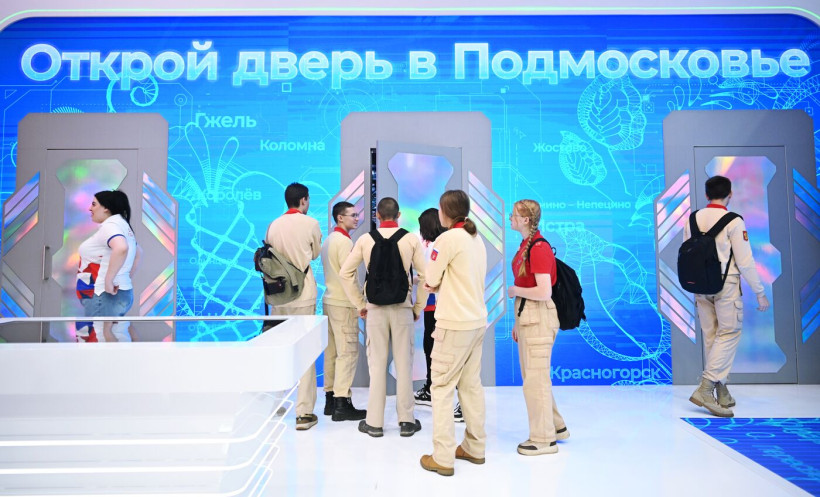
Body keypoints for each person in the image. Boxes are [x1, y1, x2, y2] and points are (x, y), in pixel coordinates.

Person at [339, 197, 428, 438]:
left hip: (375, 309)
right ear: (398, 215)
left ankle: (374, 422)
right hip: (402, 308)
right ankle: (407, 421)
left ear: (377, 215)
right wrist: (417, 307)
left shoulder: (365, 239)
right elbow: (425, 276)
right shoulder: (410, 239)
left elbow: (345, 273)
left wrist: (360, 304)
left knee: (376, 365)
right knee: (404, 365)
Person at [683, 175, 769, 417]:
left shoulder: (692, 219)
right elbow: (745, 261)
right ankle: (705, 389)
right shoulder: (734, 221)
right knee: (728, 334)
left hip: (699, 285)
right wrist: (760, 293)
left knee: (712, 337)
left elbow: (687, 254)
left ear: (707, 194)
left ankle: (722, 391)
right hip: (726, 284)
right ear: (730, 194)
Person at [419, 190, 488, 477]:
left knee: (442, 387)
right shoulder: (475, 238)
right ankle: (475, 447)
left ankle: (443, 457)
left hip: (453, 324)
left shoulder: (446, 240)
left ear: (445, 212)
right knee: (470, 387)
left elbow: (431, 277)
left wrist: (434, 283)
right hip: (476, 321)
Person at [506, 199, 569, 456]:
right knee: (536, 378)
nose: (510, 218)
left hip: (538, 318)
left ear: (526, 220)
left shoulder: (539, 248)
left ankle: (543, 439)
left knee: (535, 381)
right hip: (529, 317)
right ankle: (556, 426)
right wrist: (518, 322)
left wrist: (514, 290)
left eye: (514, 215)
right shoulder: (527, 245)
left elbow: (544, 292)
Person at [266, 182, 323, 430]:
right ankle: (304, 412)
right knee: (306, 351)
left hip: (279, 295)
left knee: (280, 347)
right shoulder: (311, 224)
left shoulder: (274, 225)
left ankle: (274, 405)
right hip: (303, 294)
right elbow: (315, 254)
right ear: (303, 200)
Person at [321, 201, 367, 422]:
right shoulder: (345, 242)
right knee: (347, 353)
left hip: (329, 301)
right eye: (353, 215)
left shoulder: (329, 240)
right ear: (340, 217)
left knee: (332, 352)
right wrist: (360, 303)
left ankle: (330, 401)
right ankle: (342, 403)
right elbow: (348, 277)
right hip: (343, 303)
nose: (357, 218)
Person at [77, 190, 141, 341]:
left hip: (104, 296)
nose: (90, 208)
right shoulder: (122, 225)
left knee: (102, 339)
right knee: (118, 334)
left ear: (106, 208)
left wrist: (109, 280)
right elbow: (138, 253)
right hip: (112, 295)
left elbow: (121, 248)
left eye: (94, 204)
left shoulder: (110, 226)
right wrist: (123, 277)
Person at [414, 208, 446, 407]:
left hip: (434, 305)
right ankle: (432, 386)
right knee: (432, 346)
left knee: (432, 346)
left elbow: (430, 276)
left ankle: (432, 388)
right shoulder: (438, 244)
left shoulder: (435, 246)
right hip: (435, 304)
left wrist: (414, 280)